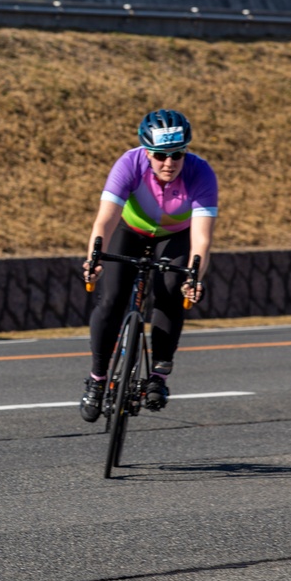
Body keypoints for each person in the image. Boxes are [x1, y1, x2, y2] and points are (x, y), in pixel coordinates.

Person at [80, 109, 216, 422]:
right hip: (130, 231)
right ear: (146, 151)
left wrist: (194, 278)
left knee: (171, 290)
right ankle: (97, 379)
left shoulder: (201, 173)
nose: (169, 163)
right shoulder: (129, 163)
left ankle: (159, 374)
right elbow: (105, 220)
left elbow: (201, 239)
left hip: (174, 237)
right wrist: (93, 259)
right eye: (160, 155)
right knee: (111, 298)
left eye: (177, 154)